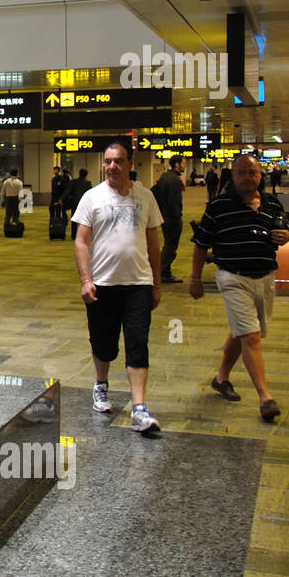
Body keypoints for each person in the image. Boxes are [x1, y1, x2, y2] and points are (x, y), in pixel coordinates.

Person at [189, 154, 289, 422]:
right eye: (242, 173)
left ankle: (221, 378)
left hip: (265, 277)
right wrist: (196, 279)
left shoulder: (273, 203)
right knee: (251, 336)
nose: (248, 177)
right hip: (232, 277)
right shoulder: (219, 205)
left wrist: (287, 235)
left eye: (252, 173)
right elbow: (201, 243)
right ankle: (265, 397)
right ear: (233, 177)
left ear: (261, 175)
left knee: (243, 331)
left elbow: (284, 229)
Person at [71, 139, 163, 434]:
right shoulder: (92, 197)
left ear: (130, 163)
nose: (112, 166)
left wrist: (157, 284)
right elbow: (81, 241)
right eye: (108, 161)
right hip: (103, 283)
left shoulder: (145, 197)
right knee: (103, 342)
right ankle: (101, 385)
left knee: (137, 342)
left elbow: (153, 243)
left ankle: (139, 408)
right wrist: (86, 280)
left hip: (138, 282)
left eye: (119, 161)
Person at [151, 155, 185, 283]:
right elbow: (174, 201)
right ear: (177, 164)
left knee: (168, 245)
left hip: (164, 215)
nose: (184, 166)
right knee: (170, 246)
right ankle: (162, 271)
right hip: (172, 217)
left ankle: (163, 270)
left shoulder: (164, 176)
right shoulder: (174, 180)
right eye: (183, 163)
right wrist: (177, 216)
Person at [66, 168, 91, 240]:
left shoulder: (74, 182)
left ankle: (74, 235)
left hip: (75, 203)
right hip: (84, 204)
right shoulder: (88, 183)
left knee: (74, 219)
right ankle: (82, 234)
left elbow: (68, 191)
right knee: (84, 220)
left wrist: (62, 199)